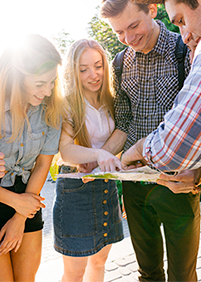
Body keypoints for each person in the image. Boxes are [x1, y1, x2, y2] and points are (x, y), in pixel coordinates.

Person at [124, 0, 201, 281]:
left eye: (181, 20)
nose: (185, 34)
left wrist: (138, 151)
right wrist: (200, 172)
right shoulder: (122, 62)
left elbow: (174, 149)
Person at [100, 0, 201, 281]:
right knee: (147, 273)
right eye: (119, 32)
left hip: (176, 182)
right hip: (134, 186)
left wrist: (196, 172)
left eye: (133, 26)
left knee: (182, 275)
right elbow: (123, 125)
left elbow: (197, 123)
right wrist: (99, 159)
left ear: (152, 9)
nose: (128, 39)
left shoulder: (185, 48)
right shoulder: (120, 64)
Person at [53, 39, 123, 282]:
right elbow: (66, 151)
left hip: (106, 186)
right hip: (76, 191)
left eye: (98, 66)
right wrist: (98, 154)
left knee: (100, 261)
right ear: (73, 72)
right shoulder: (68, 104)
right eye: (83, 69)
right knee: (74, 272)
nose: (93, 75)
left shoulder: (111, 100)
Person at [0, 34, 64, 282]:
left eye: (52, 82)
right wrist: (13, 202)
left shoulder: (52, 110)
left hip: (28, 199)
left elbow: (42, 166)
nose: (47, 91)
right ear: (17, 76)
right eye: (40, 84)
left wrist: (20, 215)